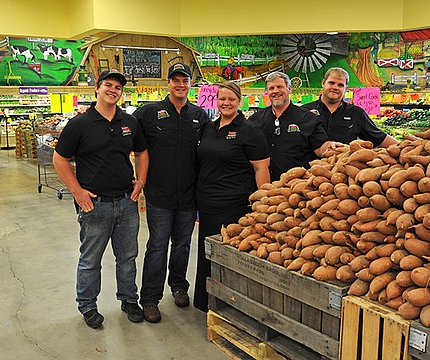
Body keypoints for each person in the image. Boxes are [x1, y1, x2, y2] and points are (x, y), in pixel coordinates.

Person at [53, 69, 149, 329]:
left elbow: (142, 152)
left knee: (127, 257)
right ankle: (87, 305)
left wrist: (140, 181)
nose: (113, 90)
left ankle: (129, 300)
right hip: (94, 205)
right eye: (108, 85)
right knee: (90, 260)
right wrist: (76, 190)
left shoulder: (129, 122)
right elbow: (59, 159)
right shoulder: (79, 124)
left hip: (126, 203)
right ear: (97, 88)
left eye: (118, 87)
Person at [132, 62, 210, 323]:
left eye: (185, 80)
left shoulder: (200, 116)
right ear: (167, 83)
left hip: (188, 196)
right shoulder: (148, 113)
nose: (180, 84)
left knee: (182, 246)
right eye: (175, 80)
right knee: (156, 247)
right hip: (160, 196)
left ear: (190, 84)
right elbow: (131, 145)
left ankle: (178, 286)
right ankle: (150, 299)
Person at [194, 82, 270, 312]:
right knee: (207, 251)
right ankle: (205, 298)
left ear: (240, 101)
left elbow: (261, 168)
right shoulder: (209, 127)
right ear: (216, 101)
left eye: (231, 99)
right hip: (207, 203)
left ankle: (228, 302)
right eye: (222, 99)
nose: (226, 103)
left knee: (228, 253)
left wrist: (263, 203)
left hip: (234, 204)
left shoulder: (249, 130)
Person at [249, 71, 343, 181]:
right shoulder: (255, 120)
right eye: (271, 88)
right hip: (263, 185)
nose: (276, 91)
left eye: (280, 87)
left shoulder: (308, 118)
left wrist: (329, 146)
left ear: (289, 89)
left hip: (296, 188)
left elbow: (320, 146)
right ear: (267, 92)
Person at [302, 67, 399, 148]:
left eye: (340, 85)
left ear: (345, 89)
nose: (335, 87)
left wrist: (406, 146)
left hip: (342, 167)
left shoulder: (356, 113)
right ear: (323, 83)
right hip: (308, 168)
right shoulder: (304, 111)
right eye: (331, 83)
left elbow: (378, 137)